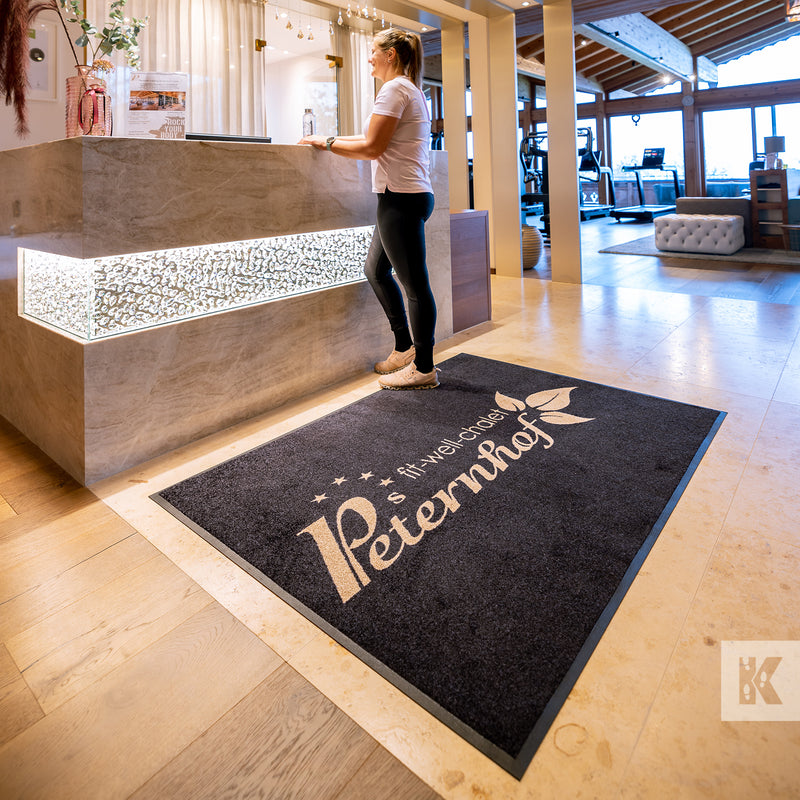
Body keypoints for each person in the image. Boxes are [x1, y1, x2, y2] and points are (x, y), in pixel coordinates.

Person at [299, 29, 438, 390]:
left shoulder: (395, 89)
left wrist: (327, 142)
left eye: (373, 52)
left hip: (401, 198)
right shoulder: (407, 89)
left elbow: (372, 147)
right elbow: (369, 140)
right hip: (405, 196)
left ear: (390, 55)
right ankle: (405, 348)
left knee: (415, 287)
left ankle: (424, 367)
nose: (369, 58)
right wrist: (325, 140)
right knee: (375, 271)